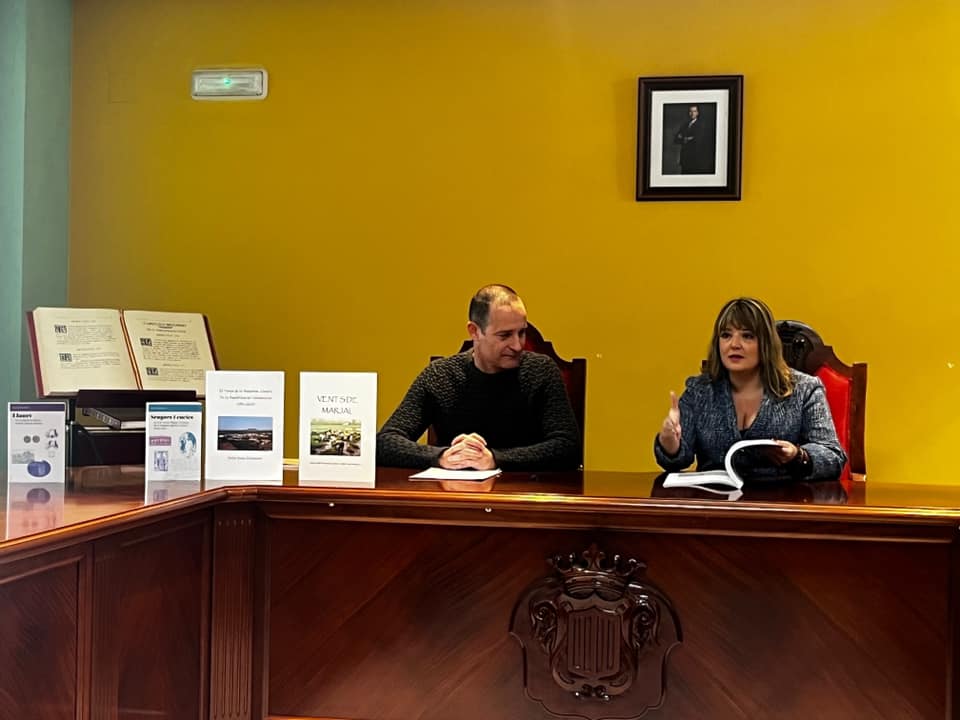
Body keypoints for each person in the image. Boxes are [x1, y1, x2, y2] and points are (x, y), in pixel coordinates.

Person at [376, 284, 581, 471]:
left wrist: (495, 459)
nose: (518, 345)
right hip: (459, 497)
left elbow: (567, 447)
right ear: (475, 331)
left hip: (526, 496)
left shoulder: (541, 371)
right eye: (505, 335)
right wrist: (441, 456)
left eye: (521, 333)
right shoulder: (441, 376)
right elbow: (385, 442)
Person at [654, 297, 846, 481]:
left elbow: (832, 456)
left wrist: (798, 456)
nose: (734, 345)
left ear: (766, 344)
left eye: (747, 336)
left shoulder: (805, 390)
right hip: (718, 505)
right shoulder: (699, 391)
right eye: (726, 335)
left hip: (783, 504)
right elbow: (677, 460)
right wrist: (670, 444)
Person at [673, 104, 713, 174]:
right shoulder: (684, 125)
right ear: (689, 113)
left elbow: (697, 140)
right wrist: (686, 139)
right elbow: (676, 139)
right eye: (690, 111)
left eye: (694, 111)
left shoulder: (701, 125)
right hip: (685, 158)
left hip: (695, 158)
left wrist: (683, 137)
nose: (692, 113)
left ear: (697, 113)